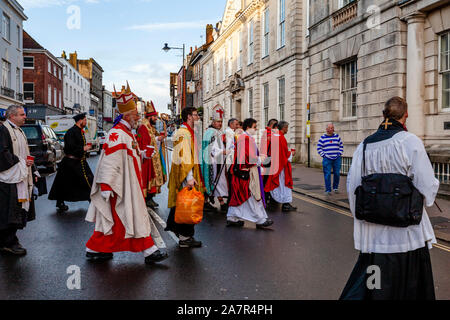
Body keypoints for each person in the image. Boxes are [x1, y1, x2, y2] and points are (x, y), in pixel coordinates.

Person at [340, 97, 439, 300]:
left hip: (374, 235)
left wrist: (360, 217)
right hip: (407, 234)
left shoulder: (365, 146)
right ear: (406, 116)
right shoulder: (410, 141)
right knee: (409, 287)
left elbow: (353, 186)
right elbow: (427, 185)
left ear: (383, 115)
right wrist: (427, 199)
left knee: (373, 286)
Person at [84, 83, 168, 264]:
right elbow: (110, 161)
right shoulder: (117, 133)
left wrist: (143, 154)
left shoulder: (127, 133)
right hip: (119, 185)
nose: (138, 117)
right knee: (128, 216)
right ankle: (149, 250)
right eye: (136, 115)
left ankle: (96, 248)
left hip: (128, 183)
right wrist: (106, 185)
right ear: (128, 115)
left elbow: (129, 157)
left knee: (119, 220)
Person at [166, 106, 205, 248]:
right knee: (187, 205)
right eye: (195, 115)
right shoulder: (184, 133)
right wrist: (189, 176)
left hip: (185, 172)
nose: (197, 117)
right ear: (189, 116)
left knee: (183, 204)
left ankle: (182, 233)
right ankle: (184, 237)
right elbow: (185, 156)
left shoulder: (187, 132)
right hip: (185, 173)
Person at [0, 105, 35, 256]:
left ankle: (9, 239)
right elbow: (2, 153)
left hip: (19, 176)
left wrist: (33, 169)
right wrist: (20, 162)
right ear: (12, 116)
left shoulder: (19, 130)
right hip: (9, 178)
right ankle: (8, 242)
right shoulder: (4, 130)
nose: (24, 117)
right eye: (22, 114)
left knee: (16, 208)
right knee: (9, 210)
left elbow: (24, 151)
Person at [227, 118, 273, 229]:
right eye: (254, 127)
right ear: (248, 127)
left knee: (241, 195)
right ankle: (260, 219)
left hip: (246, 170)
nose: (256, 129)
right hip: (246, 171)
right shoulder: (245, 138)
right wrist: (260, 159)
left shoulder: (246, 138)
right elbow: (247, 157)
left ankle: (232, 217)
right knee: (251, 194)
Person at [48, 112, 94, 211]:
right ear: (80, 121)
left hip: (80, 161)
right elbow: (69, 147)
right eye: (85, 120)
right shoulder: (71, 132)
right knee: (64, 184)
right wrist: (83, 148)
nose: (86, 122)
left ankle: (92, 200)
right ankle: (60, 202)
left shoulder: (80, 131)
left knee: (88, 180)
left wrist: (85, 150)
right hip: (70, 163)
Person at [136, 101, 167, 209]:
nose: (155, 118)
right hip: (146, 157)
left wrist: (159, 138)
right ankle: (147, 198)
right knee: (148, 177)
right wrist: (158, 138)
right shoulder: (143, 127)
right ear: (149, 117)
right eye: (154, 116)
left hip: (152, 156)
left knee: (153, 177)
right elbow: (146, 141)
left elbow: (153, 138)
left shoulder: (149, 126)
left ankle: (150, 197)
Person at [264, 121, 297, 212]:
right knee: (284, 184)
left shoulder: (276, 136)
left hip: (276, 164)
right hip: (281, 166)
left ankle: (276, 202)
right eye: (287, 128)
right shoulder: (280, 137)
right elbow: (283, 154)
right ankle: (285, 204)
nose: (287, 129)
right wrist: (291, 153)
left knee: (279, 185)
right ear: (284, 128)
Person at [201, 105, 229, 212]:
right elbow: (211, 148)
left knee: (216, 182)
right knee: (215, 181)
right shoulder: (211, 132)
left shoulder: (216, 132)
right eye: (218, 122)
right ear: (213, 122)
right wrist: (223, 151)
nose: (220, 124)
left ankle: (208, 201)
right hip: (212, 162)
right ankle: (220, 203)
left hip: (218, 160)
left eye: (221, 122)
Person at [317, 123, 343, 195]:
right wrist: (324, 155)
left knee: (337, 173)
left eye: (332, 128)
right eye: (330, 128)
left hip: (337, 158)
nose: (332, 129)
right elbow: (319, 148)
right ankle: (328, 190)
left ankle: (335, 188)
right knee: (327, 174)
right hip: (327, 159)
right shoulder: (322, 138)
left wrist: (339, 153)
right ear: (327, 129)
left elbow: (341, 146)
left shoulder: (337, 136)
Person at [261, 119, 279, 205]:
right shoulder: (269, 133)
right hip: (268, 159)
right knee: (268, 179)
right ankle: (268, 196)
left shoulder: (266, 132)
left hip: (265, 158)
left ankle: (267, 196)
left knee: (266, 178)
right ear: (273, 126)